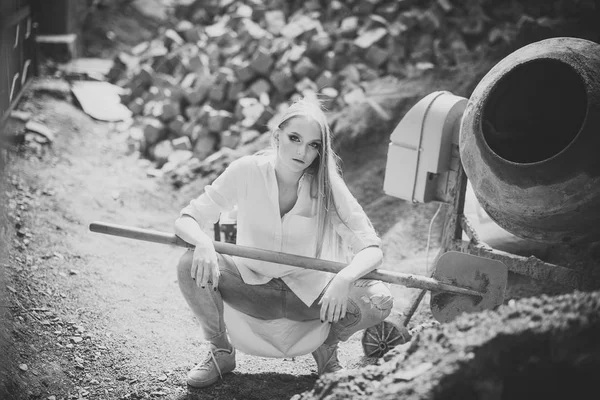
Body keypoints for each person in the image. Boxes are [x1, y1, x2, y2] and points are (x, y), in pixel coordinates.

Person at [174, 97, 393, 388]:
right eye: (294, 138)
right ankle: (220, 351)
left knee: (378, 300)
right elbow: (187, 218)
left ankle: (326, 349)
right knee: (189, 263)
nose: (302, 151)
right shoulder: (247, 171)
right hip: (250, 287)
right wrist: (203, 243)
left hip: (310, 297)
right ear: (277, 136)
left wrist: (345, 278)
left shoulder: (327, 186)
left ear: (320, 151)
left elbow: (371, 247)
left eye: (314, 144)